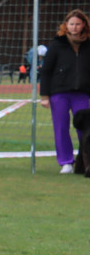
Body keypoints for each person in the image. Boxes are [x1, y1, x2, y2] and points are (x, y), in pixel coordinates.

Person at [39, 9, 90, 174]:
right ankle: (66, 162)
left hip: (82, 93)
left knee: (86, 129)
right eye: (71, 24)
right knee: (61, 127)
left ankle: (85, 162)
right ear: (66, 25)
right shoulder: (56, 46)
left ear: (84, 25)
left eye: (77, 24)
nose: (74, 27)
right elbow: (46, 72)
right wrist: (45, 96)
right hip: (59, 93)